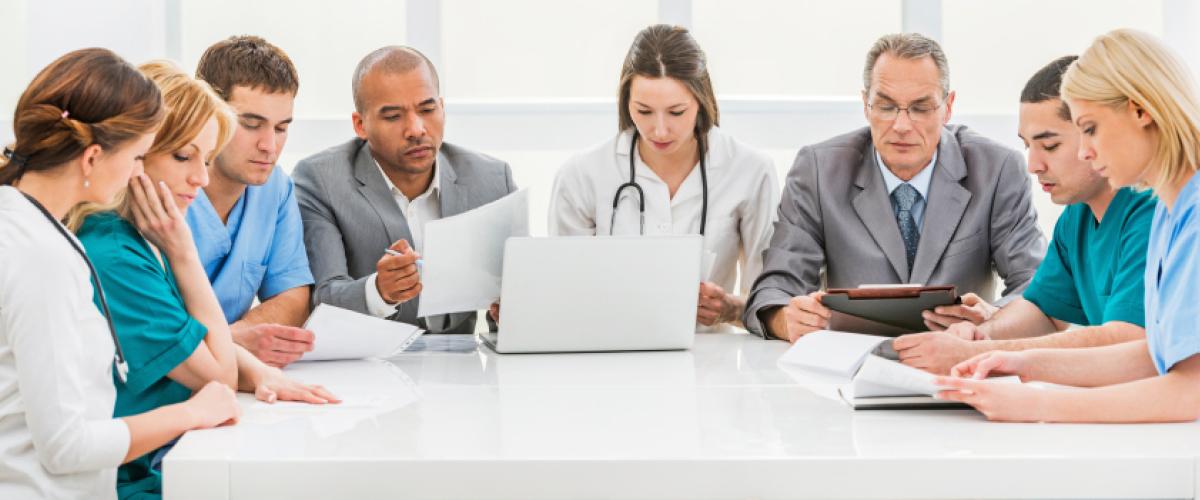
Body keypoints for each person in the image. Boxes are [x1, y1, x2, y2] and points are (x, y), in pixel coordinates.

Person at [70, 61, 338, 500]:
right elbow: (219, 374)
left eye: (207, 160)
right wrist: (185, 253)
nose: (202, 178)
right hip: (125, 480)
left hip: (157, 461)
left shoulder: (138, 240)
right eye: (183, 157)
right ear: (136, 152)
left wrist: (259, 371)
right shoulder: (117, 253)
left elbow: (194, 341)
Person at [0, 48, 239, 500]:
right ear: (92, 158)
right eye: (137, 158)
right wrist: (193, 413)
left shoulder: (37, 230)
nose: (136, 173)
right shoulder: (42, 257)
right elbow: (66, 446)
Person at [938, 29, 1200, 423]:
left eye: (1090, 129)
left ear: (1140, 111)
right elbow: (1155, 355)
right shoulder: (1171, 209)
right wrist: (1017, 361)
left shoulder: (1184, 213)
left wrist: (1036, 404)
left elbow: (1190, 389)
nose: (1085, 151)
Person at [744, 33, 1047, 342]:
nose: (902, 126)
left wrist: (992, 321)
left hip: (959, 357)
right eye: (886, 107)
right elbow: (775, 288)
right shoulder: (818, 170)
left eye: (921, 108)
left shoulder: (997, 170)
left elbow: (1037, 287)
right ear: (866, 105)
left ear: (948, 107)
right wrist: (786, 319)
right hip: (851, 358)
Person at [893, 56, 1154, 375]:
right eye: (1028, 146)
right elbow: (1043, 311)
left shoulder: (1150, 209)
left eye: (1050, 146)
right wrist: (981, 334)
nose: (1033, 165)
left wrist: (977, 353)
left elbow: (1127, 339)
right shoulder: (1077, 216)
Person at [548, 24, 778, 332]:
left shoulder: (751, 170)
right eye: (643, 111)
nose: (659, 130)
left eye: (676, 112)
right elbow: (564, 295)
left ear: (702, 102)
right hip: (608, 350)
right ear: (626, 103)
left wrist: (731, 309)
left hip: (711, 355)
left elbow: (772, 301)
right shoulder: (581, 175)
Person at [294, 46, 517, 335]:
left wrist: (512, 310)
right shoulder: (321, 180)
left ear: (442, 108)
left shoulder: (492, 179)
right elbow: (322, 298)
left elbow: (518, 295)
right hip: (367, 357)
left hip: (463, 359)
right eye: (393, 116)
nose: (416, 129)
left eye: (427, 110)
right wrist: (379, 292)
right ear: (360, 125)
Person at [187, 36, 316, 368]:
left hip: (229, 373)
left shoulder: (275, 189)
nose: (269, 146)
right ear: (207, 114)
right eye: (251, 124)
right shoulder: (170, 187)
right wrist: (227, 344)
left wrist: (232, 339)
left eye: (281, 128)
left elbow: (293, 297)